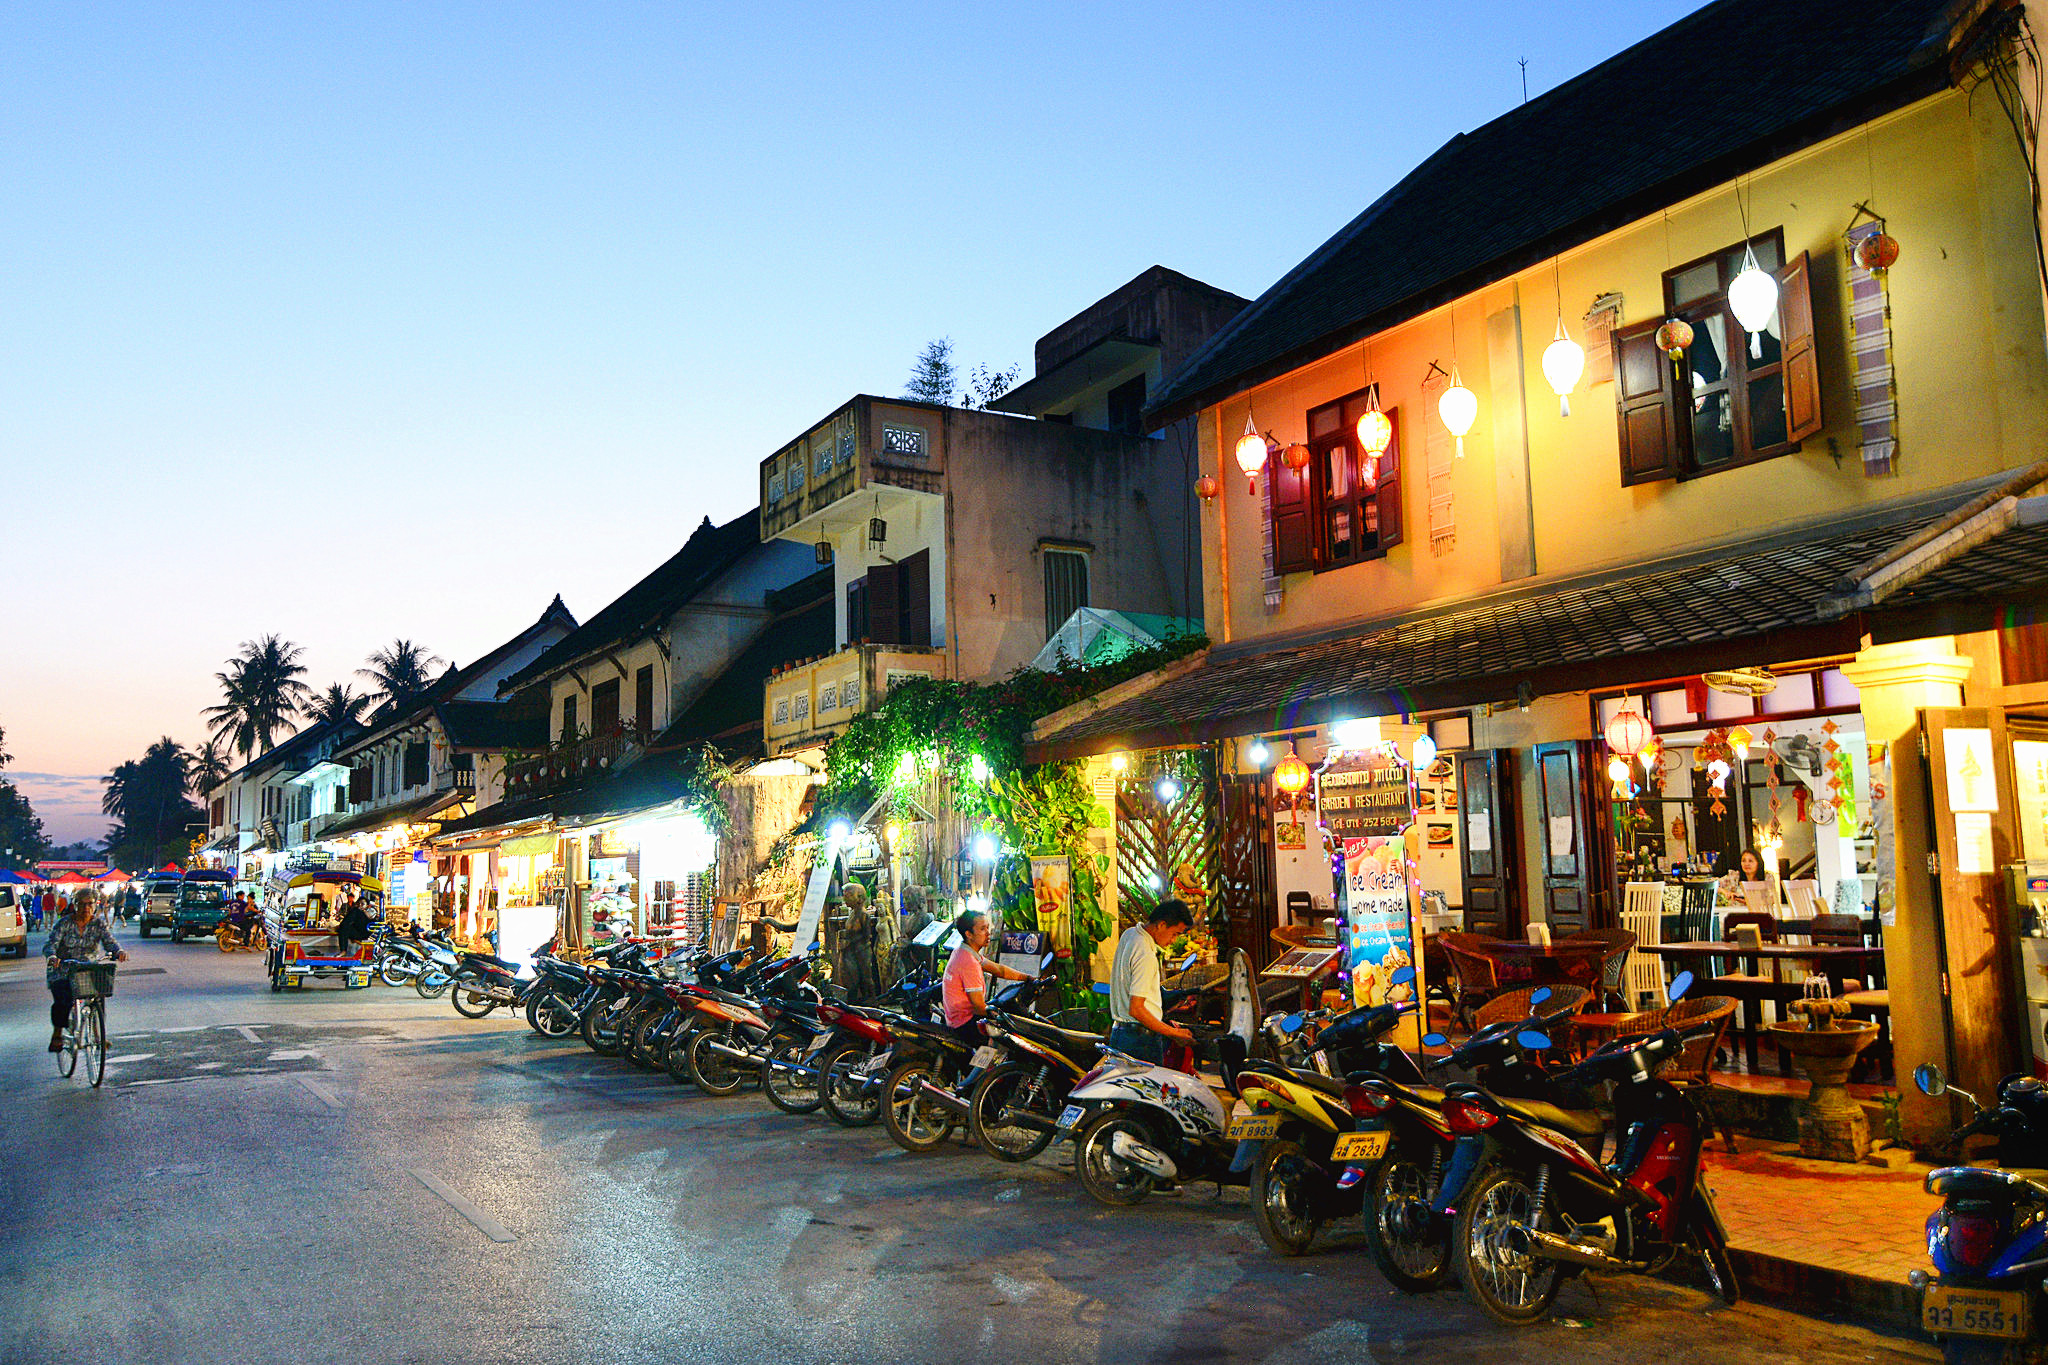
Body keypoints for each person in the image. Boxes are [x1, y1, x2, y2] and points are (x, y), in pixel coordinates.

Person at [1107, 899, 1197, 1064]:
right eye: (1175, 933)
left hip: (1120, 1035)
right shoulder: (1145, 954)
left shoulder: (1130, 934)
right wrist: (1173, 1033)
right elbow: (1136, 1009)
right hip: (1140, 1041)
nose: (1174, 940)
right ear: (1162, 925)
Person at [43, 888, 126, 1052]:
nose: (86, 908)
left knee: (98, 998)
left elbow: (110, 942)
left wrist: (118, 952)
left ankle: (97, 1035)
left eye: (90, 904)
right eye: (82, 904)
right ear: (75, 905)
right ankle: (57, 1034)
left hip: (87, 969)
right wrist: (52, 957)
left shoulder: (98, 924)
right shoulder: (65, 923)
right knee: (63, 999)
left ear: (95, 905)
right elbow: (51, 944)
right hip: (64, 969)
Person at [941, 909, 1031, 1047]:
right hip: (965, 1024)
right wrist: (1004, 1017)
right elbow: (978, 1007)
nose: (988, 933)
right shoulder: (968, 962)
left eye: (988, 928)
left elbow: (999, 970)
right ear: (969, 934)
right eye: (982, 929)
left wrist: (1027, 978)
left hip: (955, 1019)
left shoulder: (963, 951)